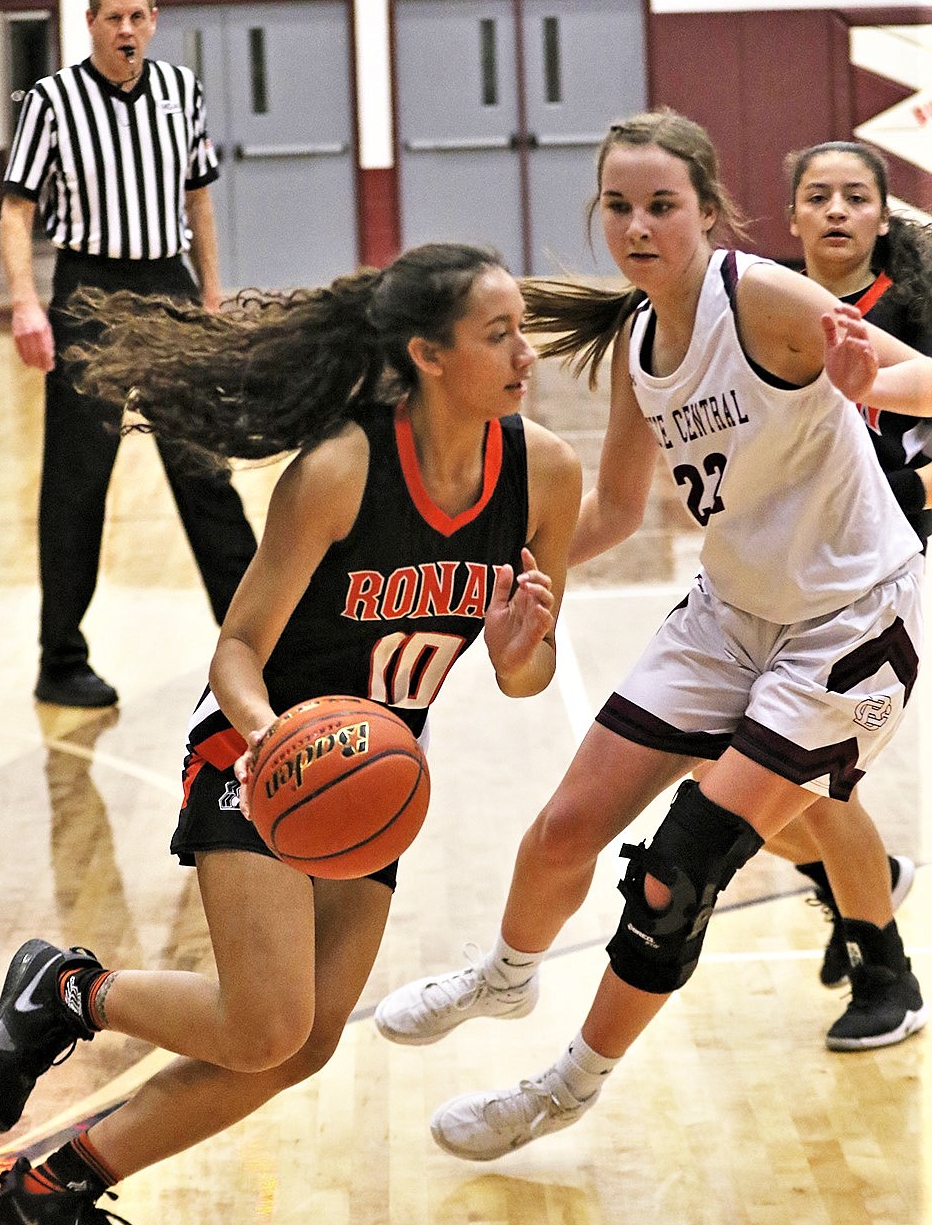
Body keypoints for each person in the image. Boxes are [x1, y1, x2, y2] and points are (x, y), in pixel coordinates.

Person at [0, 242, 582, 1225]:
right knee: (261, 1020)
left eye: (522, 327)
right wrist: (268, 738)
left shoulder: (542, 474)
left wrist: (524, 655)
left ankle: (49, 1190)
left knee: (302, 1044)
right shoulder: (342, 468)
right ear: (428, 354)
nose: (526, 351)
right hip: (258, 749)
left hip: (372, 779)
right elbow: (238, 643)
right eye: (499, 333)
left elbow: (527, 672)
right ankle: (70, 989)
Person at [373, 109, 932, 1163]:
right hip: (728, 611)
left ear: (710, 214)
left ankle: (563, 1086)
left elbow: (923, 375)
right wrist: (498, 579)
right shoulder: (638, 339)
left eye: (661, 205)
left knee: (677, 871)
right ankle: (503, 972)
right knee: (563, 824)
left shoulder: (760, 298)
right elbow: (618, 511)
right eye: (619, 206)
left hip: (846, 623)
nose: (638, 225)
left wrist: (872, 384)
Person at [0, 0, 257, 708]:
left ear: (153, 19)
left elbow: (199, 196)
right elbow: (16, 212)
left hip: (169, 287)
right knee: (78, 483)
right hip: (88, 294)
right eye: (113, 17)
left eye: (137, 16)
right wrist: (26, 305)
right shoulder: (52, 102)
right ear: (90, 23)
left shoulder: (182, 92)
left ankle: (254, 639)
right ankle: (61, 659)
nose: (126, 30)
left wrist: (210, 293)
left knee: (203, 470)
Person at [757, 140, 931, 987]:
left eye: (854, 197)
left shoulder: (911, 313)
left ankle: (883, 975)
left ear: (881, 216)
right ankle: (861, 882)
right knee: (726, 781)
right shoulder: (763, 308)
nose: (834, 211)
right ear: (789, 217)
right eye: (816, 196)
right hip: (776, 566)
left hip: (874, 576)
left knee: (804, 778)